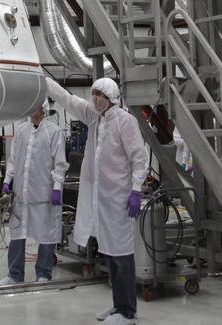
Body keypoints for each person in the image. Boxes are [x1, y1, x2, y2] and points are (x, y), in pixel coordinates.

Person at [46, 77, 149, 325]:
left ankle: (128, 312)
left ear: (111, 97)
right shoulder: (95, 117)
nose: (95, 98)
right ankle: (118, 306)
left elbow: (139, 158)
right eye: (93, 93)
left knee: (122, 254)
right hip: (100, 198)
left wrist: (136, 190)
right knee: (110, 253)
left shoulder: (125, 121)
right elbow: (67, 99)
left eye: (100, 94)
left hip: (119, 198)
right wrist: (44, 81)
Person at [0, 102, 67, 287]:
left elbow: (59, 163)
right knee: (17, 233)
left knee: (46, 234)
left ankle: (43, 273)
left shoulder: (53, 132)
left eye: (36, 105)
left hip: (43, 194)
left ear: (43, 108)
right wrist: (7, 180)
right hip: (21, 194)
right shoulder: (21, 131)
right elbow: (13, 159)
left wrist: (57, 187)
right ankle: (14, 274)